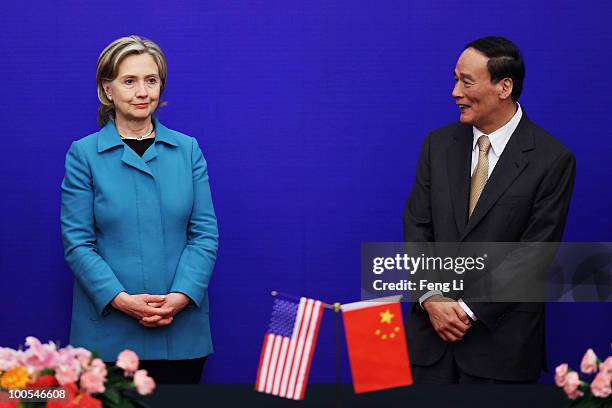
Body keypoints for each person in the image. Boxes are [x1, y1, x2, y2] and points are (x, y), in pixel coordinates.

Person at [403, 36, 575, 383]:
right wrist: (432, 297)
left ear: (504, 87)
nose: (455, 92)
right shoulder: (437, 145)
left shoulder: (552, 159)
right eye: (455, 79)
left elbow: (534, 253)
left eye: (466, 82)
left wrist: (466, 310)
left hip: (501, 349)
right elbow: (417, 226)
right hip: (430, 347)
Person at [61, 35, 219, 384]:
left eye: (151, 80)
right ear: (107, 90)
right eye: (129, 81)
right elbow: (77, 243)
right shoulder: (83, 155)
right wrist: (120, 299)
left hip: (180, 335)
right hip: (108, 337)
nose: (142, 91)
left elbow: (204, 235)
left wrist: (181, 295)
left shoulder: (188, 150)